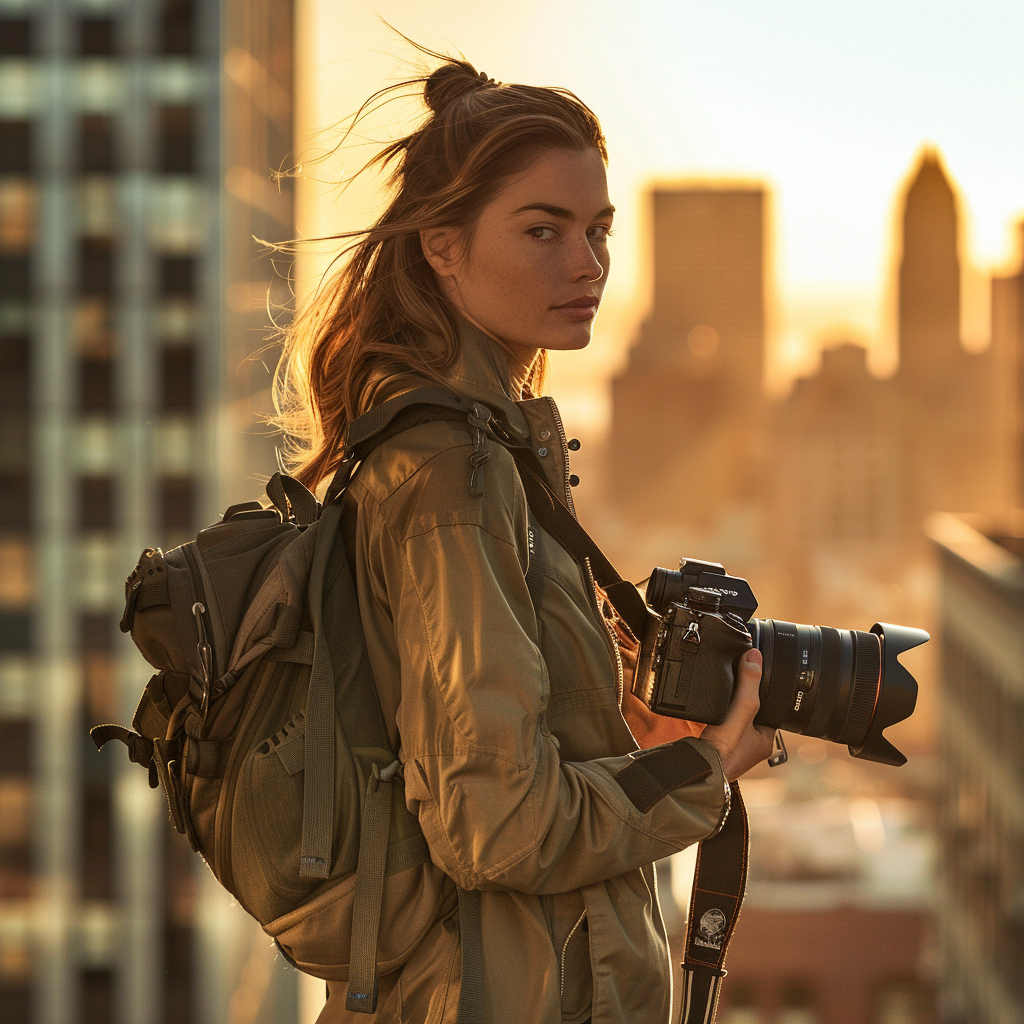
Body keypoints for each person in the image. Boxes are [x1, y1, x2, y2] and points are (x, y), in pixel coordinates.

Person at [273, 52, 775, 1024]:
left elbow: (484, 763)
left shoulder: (491, 449)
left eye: (597, 231)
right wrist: (698, 771)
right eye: (542, 231)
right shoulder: (450, 474)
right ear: (442, 246)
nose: (585, 264)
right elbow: (495, 828)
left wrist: (633, 738)